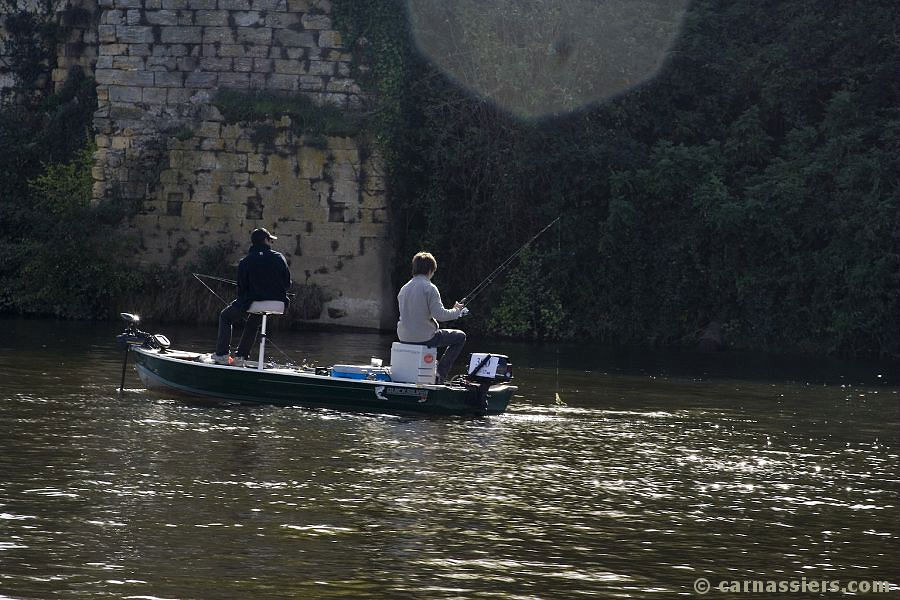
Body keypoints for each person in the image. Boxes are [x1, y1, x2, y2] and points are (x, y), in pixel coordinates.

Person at [210, 227, 292, 365]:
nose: (271, 243)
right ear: (265, 240)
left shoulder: (245, 261)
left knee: (225, 316)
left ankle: (222, 355)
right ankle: (241, 357)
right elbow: (287, 284)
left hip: (254, 301)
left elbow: (242, 289)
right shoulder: (279, 257)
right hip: (279, 303)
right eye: (270, 240)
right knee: (254, 320)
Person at [396, 251, 469, 383]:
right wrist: (457, 311)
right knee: (460, 337)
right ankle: (440, 374)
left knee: (442, 336)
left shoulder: (404, 288)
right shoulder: (430, 288)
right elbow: (440, 315)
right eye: (433, 271)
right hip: (425, 338)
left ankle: (432, 371)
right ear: (430, 270)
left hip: (403, 337)